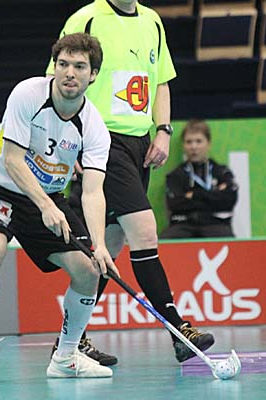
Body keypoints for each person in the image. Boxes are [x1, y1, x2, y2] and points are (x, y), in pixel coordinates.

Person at [47, 0, 215, 366]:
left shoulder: (152, 21)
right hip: (102, 140)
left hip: (140, 143)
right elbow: (56, 84)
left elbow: (161, 81)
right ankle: (179, 330)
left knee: (109, 245)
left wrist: (164, 130)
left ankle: (71, 339)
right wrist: (69, 142)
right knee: (145, 232)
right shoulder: (87, 18)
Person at [0, 32, 119, 378]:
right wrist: (46, 206)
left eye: (79, 66)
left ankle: (66, 357)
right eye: (63, 64)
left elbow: (93, 191)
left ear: (93, 75)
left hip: (46, 197)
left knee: (88, 271)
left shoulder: (94, 128)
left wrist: (99, 245)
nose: (69, 73)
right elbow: (13, 160)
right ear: (54, 66)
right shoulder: (28, 94)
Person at [161, 120, 238, 239]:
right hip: (183, 225)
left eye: (198, 141)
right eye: (189, 142)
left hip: (216, 224)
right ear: (183, 145)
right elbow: (174, 204)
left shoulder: (222, 172)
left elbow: (229, 200)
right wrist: (213, 195)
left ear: (208, 143)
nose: (194, 147)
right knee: (165, 241)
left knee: (227, 238)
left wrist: (194, 195)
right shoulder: (175, 175)